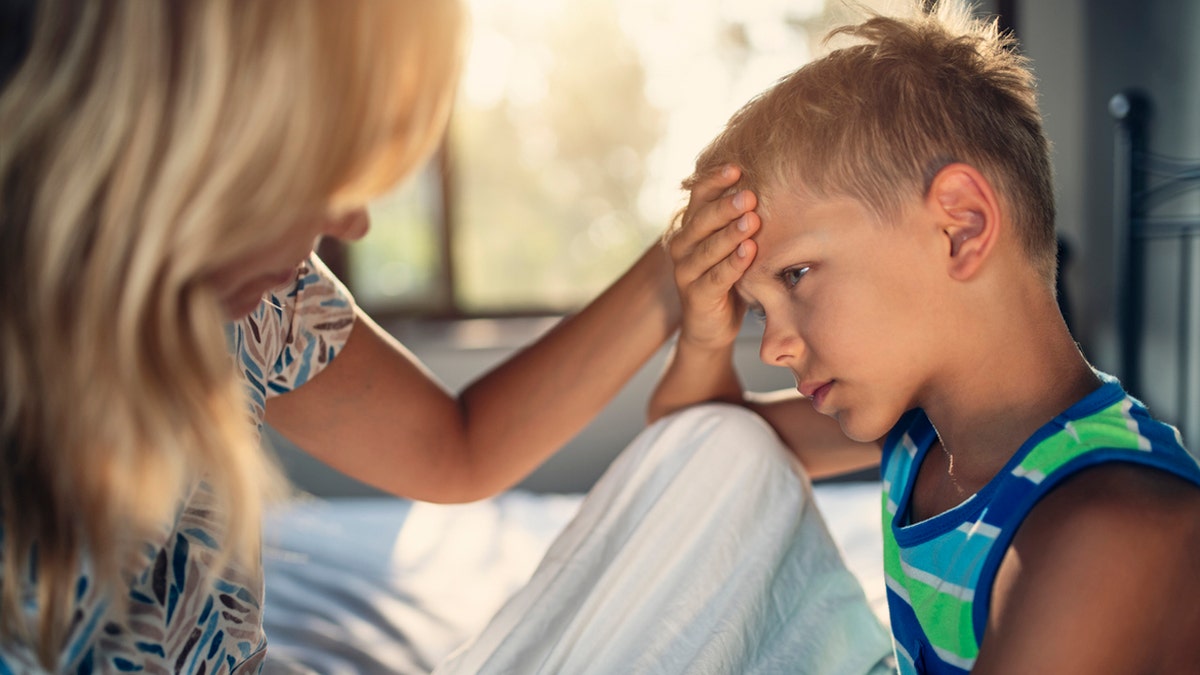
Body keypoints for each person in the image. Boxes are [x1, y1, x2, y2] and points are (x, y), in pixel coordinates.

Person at [0, 0, 747, 671]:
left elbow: (457, 448)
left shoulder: (261, 301)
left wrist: (678, 264)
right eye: (328, 163)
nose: (353, 221)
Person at [654, 1, 1200, 673]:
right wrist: (706, 334)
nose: (772, 348)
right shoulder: (918, 434)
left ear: (961, 227)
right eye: (759, 310)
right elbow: (693, 452)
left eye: (795, 275)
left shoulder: (1110, 526)